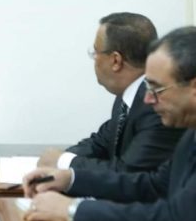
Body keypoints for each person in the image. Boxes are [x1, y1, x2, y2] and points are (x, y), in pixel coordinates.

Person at [22, 26, 196, 221]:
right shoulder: (191, 132)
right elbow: (153, 185)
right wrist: (70, 179)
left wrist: (73, 210)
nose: (147, 98)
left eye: (157, 89)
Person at [38, 13, 184, 172]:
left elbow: (128, 172)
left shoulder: (155, 105)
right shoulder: (127, 97)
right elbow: (100, 144)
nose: (94, 60)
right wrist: (61, 158)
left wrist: (65, 161)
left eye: (95, 53)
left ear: (115, 60)